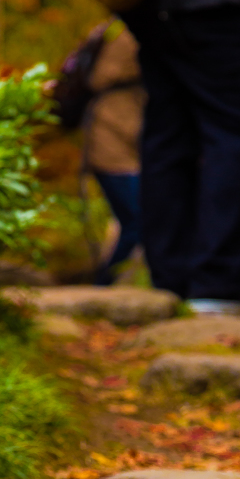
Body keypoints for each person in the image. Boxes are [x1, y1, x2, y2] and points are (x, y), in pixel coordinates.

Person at [120, 0, 240, 313]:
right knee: (235, 132)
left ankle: (171, 275)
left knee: (169, 136)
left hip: (150, 2)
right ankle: (215, 277)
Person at [83, 19, 146, 286]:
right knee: (137, 222)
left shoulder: (118, 34)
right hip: (114, 155)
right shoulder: (127, 40)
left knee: (136, 222)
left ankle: (108, 281)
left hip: (119, 152)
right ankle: (104, 284)